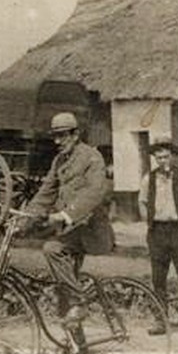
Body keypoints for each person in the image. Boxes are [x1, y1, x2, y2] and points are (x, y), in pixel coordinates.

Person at [20, 112, 114, 331]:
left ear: (75, 134)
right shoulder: (59, 161)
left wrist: (64, 215)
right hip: (71, 231)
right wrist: (22, 221)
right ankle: (76, 353)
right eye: (55, 136)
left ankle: (79, 304)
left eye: (62, 136)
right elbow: (45, 194)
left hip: (90, 229)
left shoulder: (92, 157)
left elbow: (94, 193)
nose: (57, 141)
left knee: (52, 249)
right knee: (64, 293)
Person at [138, 135, 178, 337]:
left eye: (166, 157)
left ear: (173, 156)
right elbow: (142, 202)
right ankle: (160, 320)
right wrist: (149, 220)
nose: (162, 161)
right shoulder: (148, 179)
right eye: (158, 158)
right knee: (158, 278)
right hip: (157, 232)